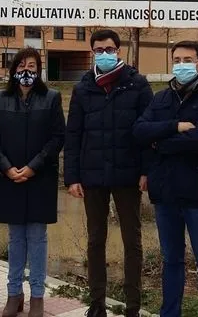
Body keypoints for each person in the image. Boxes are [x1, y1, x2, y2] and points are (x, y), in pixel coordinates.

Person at [64, 29, 154, 317]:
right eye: (99, 50)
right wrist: (72, 176)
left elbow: (148, 132)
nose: (104, 54)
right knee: (95, 240)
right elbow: (74, 134)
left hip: (128, 176)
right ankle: (97, 303)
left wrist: (146, 170)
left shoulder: (137, 85)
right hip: (92, 177)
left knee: (132, 241)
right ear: (92, 52)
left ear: (119, 51)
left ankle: (133, 306)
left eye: (109, 49)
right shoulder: (83, 88)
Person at [133, 41, 198, 317]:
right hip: (166, 194)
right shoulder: (161, 98)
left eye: (187, 59)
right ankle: (169, 313)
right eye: (177, 59)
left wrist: (159, 143)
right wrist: (173, 127)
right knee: (171, 260)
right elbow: (139, 130)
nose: (181, 64)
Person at [0, 48, 66, 317]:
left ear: (39, 69)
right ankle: (13, 294)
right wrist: (7, 168)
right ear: (13, 70)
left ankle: (37, 297)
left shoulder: (52, 98)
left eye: (31, 65)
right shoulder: (1, 98)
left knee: (37, 238)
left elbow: (57, 138)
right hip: (9, 179)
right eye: (21, 66)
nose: (26, 71)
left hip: (39, 178)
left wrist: (33, 167)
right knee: (16, 238)